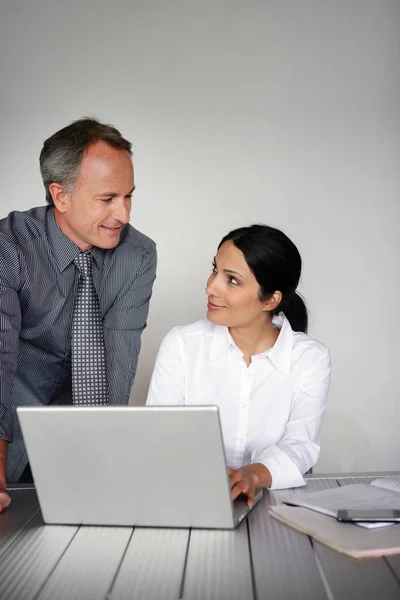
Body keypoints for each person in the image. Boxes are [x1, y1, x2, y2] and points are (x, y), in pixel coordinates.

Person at [0, 118, 157, 512]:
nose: (122, 214)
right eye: (107, 199)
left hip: (81, 443)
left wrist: (104, 467)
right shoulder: (10, 247)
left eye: (128, 196)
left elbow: (120, 359)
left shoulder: (138, 255)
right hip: (9, 431)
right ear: (61, 195)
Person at [147, 224, 331, 506]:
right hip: (191, 499)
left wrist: (251, 477)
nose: (210, 287)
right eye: (214, 270)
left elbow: (301, 444)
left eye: (232, 280)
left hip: (274, 503)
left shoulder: (310, 359)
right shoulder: (182, 345)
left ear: (270, 300)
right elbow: (160, 436)